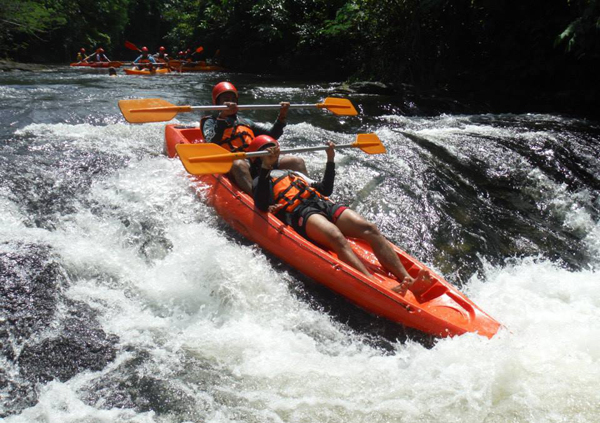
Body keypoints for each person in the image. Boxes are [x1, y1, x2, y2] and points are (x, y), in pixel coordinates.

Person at [251, 136, 434, 295]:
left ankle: (408, 280)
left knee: (370, 228)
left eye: (274, 150)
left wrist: (330, 160)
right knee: (336, 237)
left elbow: (325, 189)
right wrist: (266, 168)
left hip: (321, 203)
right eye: (268, 152)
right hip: (300, 212)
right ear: (257, 159)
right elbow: (260, 204)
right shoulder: (259, 180)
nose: (274, 154)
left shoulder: (291, 172)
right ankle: (374, 284)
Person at [201, 81, 307, 194]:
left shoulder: (246, 122)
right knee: (238, 164)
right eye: (226, 99)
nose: (230, 102)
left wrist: (282, 116)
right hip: (232, 164)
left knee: (296, 161)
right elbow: (211, 142)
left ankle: (311, 192)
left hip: (256, 159)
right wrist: (222, 117)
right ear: (217, 103)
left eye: (233, 99)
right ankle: (257, 200)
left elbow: (272, 135)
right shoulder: (210, 122)